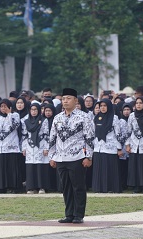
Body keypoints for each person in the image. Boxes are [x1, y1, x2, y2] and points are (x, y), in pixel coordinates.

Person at [49, 88, 94, 224]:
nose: (65, 101)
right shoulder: (57, 118)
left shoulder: (84, 117)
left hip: (77, 156)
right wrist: (52, 156)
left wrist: (89, 156)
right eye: (63, 99)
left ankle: (78, 214)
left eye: (68, 98)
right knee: (66, 187)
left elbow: (90, 138)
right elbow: (52, 138)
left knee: (78, 186)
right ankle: (69, 214)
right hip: (61, 157)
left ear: (76, 100)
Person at [0, 99, 22, 193]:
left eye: (5, 106)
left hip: (11, 146)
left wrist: (9, 114)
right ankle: (1, 187)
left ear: (9, 107)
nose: (3, 108)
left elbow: (14, 126)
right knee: (1, 168)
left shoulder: (15, 115)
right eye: (2, 106)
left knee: (12, 168)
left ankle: (13, 187)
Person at [92, 99, 123, 193]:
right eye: (101, 106)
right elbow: (93, 133)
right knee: (99, 169)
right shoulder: (96, 117)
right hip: (98, 147)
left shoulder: (114, 118)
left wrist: (119, 148)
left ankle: (110, 188)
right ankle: (99, 188)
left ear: (109, 107)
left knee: (109, 169)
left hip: (110, 147)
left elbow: (118, 134)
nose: (102, 108)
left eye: (105, 106)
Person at [21, 103, 50, 194]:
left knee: (40, 166)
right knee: (30, 166)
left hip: (40, 145)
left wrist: (46, 148)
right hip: (29, 146)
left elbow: (46, 135)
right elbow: (24, 135)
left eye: (35, 110)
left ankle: (41, 187)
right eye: (32, 110)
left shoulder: (43, 120)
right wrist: (24, 148)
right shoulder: (26, 121)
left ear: (39, 110)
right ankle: (31, 187)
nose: (33, 112)